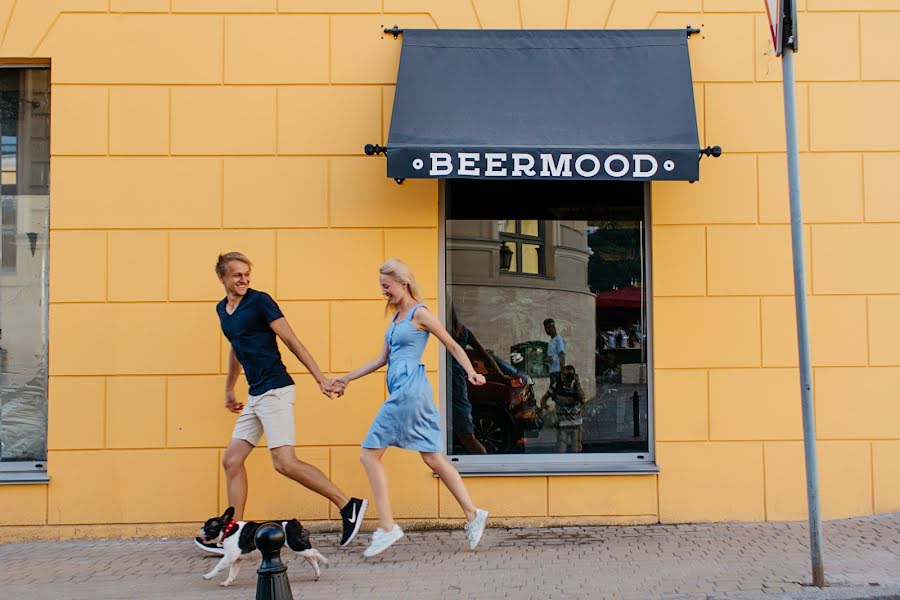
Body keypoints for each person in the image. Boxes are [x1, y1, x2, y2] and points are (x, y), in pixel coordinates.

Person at [195, 252, 368, 554]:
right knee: (232, 460)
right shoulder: (223, 310)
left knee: (284, 462)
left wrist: (321, 379)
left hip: (276, 389)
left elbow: (292, 341)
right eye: (238, 275)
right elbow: (236, 350)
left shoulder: (260, 301)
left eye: (247, 274)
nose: (244, 279)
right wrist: (229, 390)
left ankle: (347, 505)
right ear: (222, 277)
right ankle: (235, 532)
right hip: (256, 394)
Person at [333, 258, 489, 557]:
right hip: (408, 392)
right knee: (433, 458)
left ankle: (388, 526)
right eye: (381, 287)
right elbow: (381, 360)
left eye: (386, 286)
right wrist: (347, 378)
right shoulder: (396, 318)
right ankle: (473, 514)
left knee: (369, 454)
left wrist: (470, 371)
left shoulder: (421, 313)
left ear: (403, 283)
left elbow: (453, 345)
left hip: (409, 391)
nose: (384, 292)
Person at [449, 305, 503, 455]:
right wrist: (500, 374)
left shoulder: (446, 331)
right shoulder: (463, 332)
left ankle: (483, 463)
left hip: (450, 381)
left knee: (464, 434)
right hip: (456, 380)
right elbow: (485, 355)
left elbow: (484, 354)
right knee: (465, 433)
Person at [540, 364, 586, 453]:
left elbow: (583, 399)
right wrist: (545, 406)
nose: (567, 378)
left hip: (575, 423)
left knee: (576, 450)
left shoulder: (576, 386)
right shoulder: (557, 385)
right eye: (565, 375)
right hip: (563, 424)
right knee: (561, 449)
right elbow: (544, 398)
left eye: (569, 375)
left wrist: (577, 383)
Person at [543, 318, 567, 384]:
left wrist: (562, 373)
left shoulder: (558, 339)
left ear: (553, 327)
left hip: (558, 372)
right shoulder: (551, 342)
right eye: (545, 329)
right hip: (552, 372)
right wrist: (547, 359)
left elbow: (561, 355)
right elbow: (552, 358)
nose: (547, 330)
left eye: (548, 328)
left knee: (557, 392)